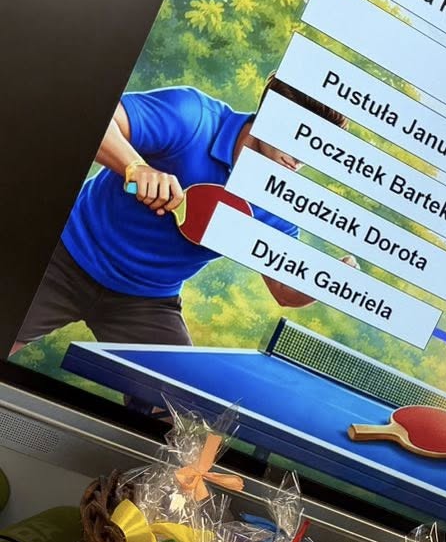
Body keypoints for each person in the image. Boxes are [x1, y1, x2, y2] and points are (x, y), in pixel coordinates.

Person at [13, 76, 347, 350]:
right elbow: (94, 118)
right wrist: (136, 167)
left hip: (146, 300)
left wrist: (331, 283)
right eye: (299, 134)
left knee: (179, 409)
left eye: (318, 146)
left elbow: (284, 290)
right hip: (65, 255)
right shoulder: (193, 116)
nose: (303, 156)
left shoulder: (281, 202)